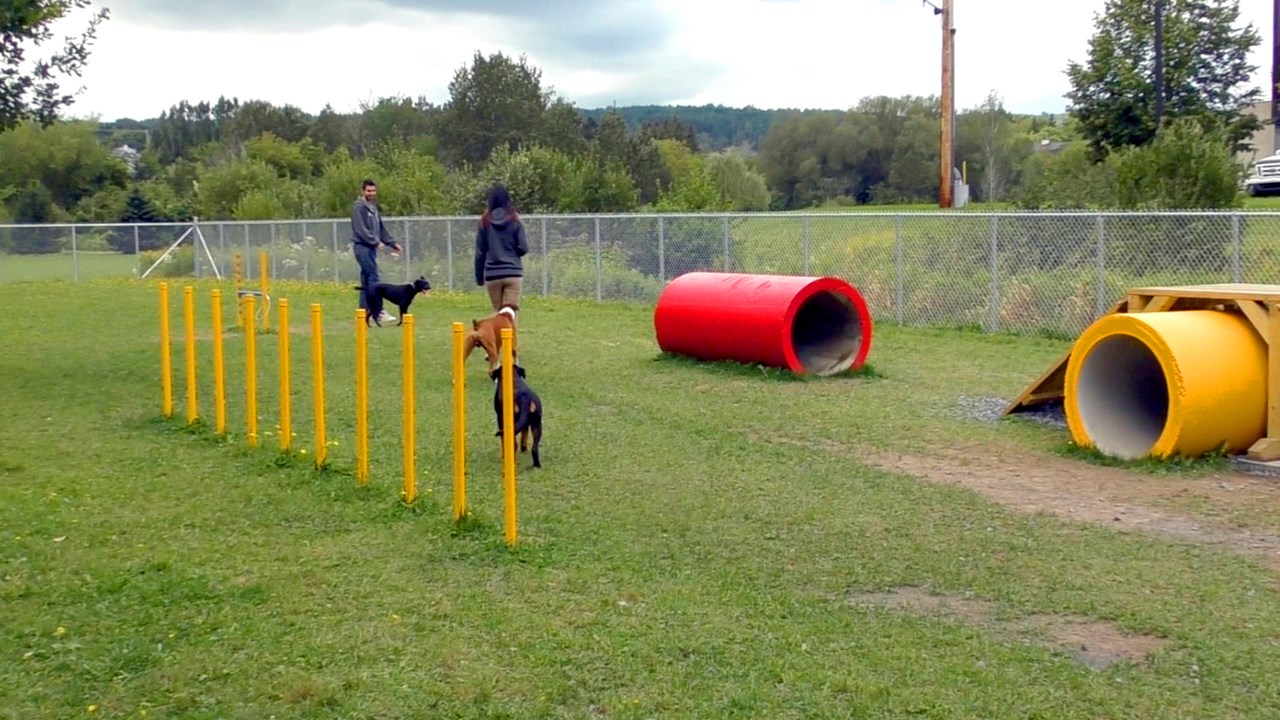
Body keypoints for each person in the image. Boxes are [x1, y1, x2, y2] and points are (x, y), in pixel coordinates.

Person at [351, 179, 402, 324]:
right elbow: (360, 229)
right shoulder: (358, 207)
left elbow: (380, 228)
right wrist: (375, 242)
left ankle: (362, 314)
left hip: (371, 248)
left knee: (367, 281)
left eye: (373, 191)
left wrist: (392, 243)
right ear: (363, 191)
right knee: (374, 277)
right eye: (368, 191)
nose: (371, 193)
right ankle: (378, 311)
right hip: (362, 248)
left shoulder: (372, 207)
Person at [474, 184, 528, 313]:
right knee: (509, 314)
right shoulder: (515, 220)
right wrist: (512, 253)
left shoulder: (484, 222)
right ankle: (510, 334)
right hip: (512, 272)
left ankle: (494, 333)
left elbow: (480, 252)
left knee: (497, 312)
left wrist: (479, 277)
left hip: (492, 274)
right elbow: (523, 248)